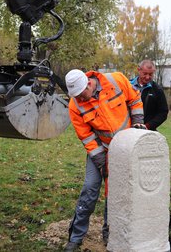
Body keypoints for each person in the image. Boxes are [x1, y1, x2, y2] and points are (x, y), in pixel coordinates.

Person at [64, 69, 145, 251]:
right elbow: (87, 138)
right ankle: (76, 236)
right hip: (100, 150)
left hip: (126, 148)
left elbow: (135, 99)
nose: (79, 99)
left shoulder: (116, 80)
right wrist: (103, 163)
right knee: (90, 189)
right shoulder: (75, 105)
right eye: (74, 96)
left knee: (115, 191)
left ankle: (110, 230)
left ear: (88, 84)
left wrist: (138, 120)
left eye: (81, 94)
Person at [130, 59, 169, 131]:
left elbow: (163, 113)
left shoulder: (158, 90)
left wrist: (148, 126)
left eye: (150, 74)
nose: (147, 77)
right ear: (139, 70)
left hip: (147, 131)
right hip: (126, 129)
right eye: (145, 74)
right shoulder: (128, 85)